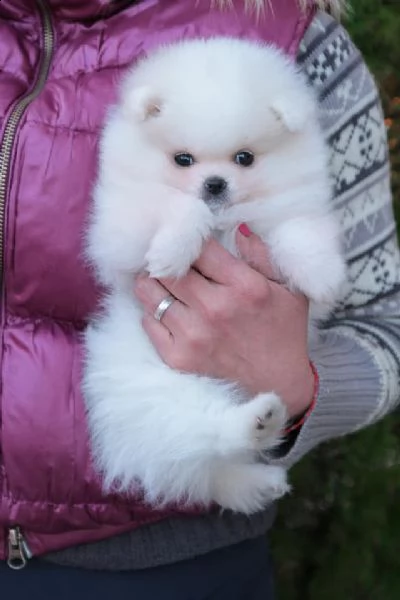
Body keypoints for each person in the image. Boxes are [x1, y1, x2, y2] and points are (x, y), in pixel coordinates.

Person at [0, 0, 399, 598]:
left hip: (157, 560)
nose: (215, 180)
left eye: (240, 159)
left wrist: (298, 390)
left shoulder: (291, 38)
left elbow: (384, 323)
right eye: (187, 160)